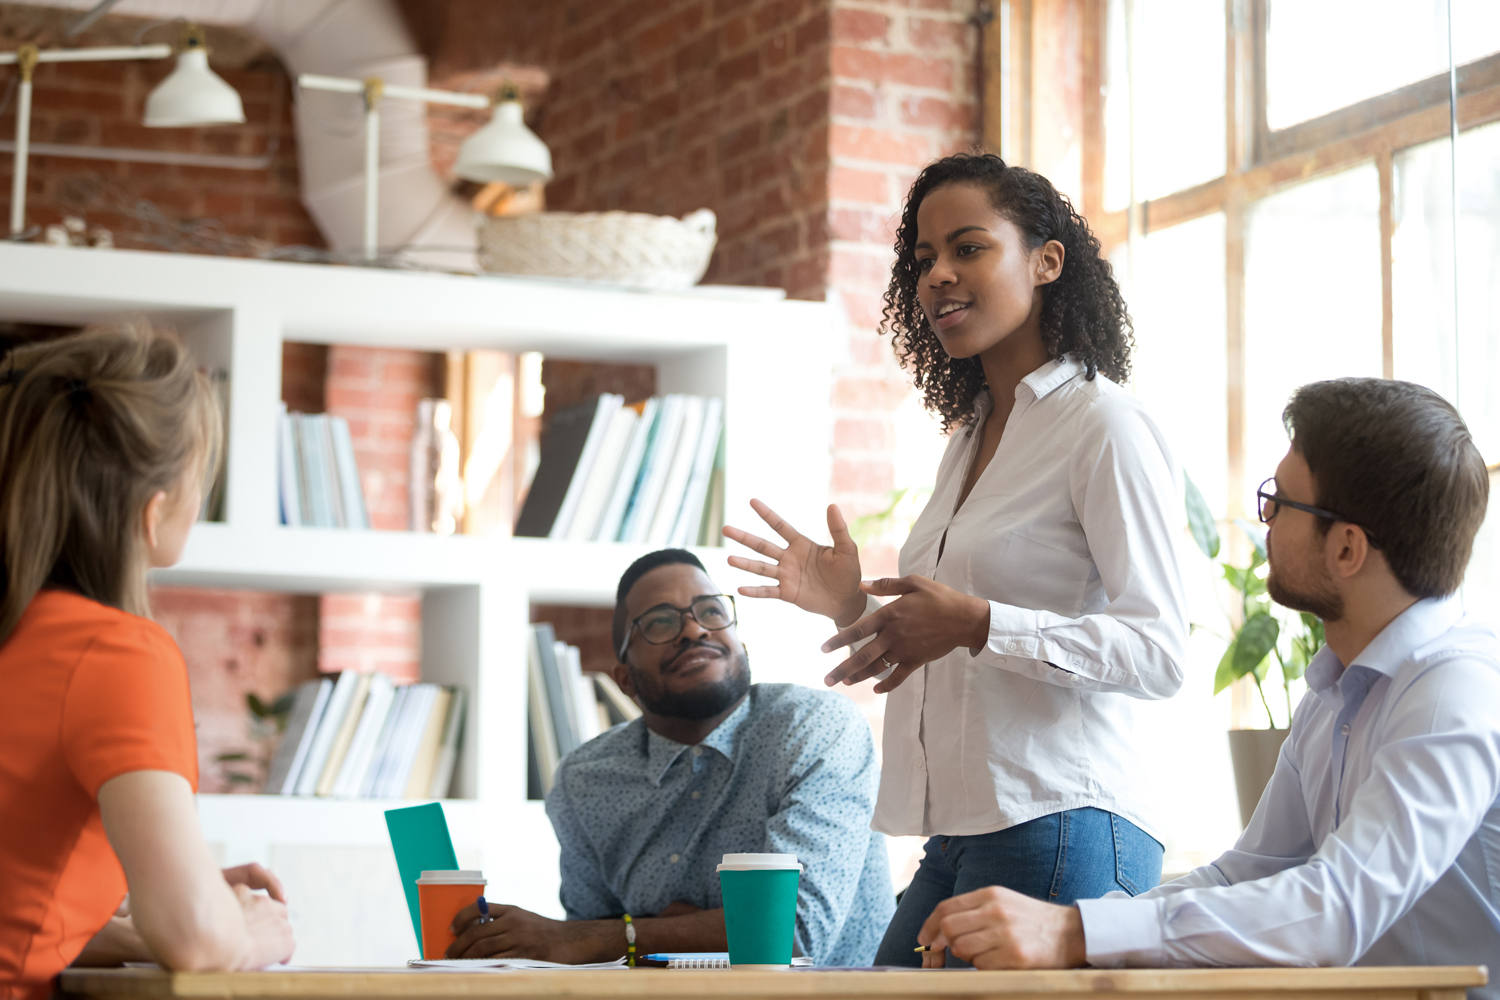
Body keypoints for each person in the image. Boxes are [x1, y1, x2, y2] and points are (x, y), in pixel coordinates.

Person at [723, 152, 1188, 967]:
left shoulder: (1103, 427)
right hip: (963, 832)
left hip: (1067, 821)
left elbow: (1159, 651)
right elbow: (952, 636)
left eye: (967, 248)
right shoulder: (970, 439)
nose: (937, 275)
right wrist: (849, 608)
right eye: (923, 259)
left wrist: (976, 623)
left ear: (1047, 261)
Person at [913, 378, 1499, 988]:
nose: (1261, 519)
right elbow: (1245, 875)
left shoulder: (1453, 691)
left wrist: (1073, 934)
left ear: (1347, 548)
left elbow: (1335, 908)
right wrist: (1072, 925)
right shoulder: (1337, 692)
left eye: (1280, 503)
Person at [0, 327, 295, 1000]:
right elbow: (197, 937)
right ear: (154, 511)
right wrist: (248, 932)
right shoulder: (117, 652)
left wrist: (156, 919)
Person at [446, 548, 893, 966]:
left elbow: (789, 933)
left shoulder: (815, 728)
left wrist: (624, 936)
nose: (695, 629)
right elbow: (594, 959)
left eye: (712, 612)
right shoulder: (584, 781)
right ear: (624, 679)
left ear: (743, 647)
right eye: (659, 623)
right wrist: (649, 934)